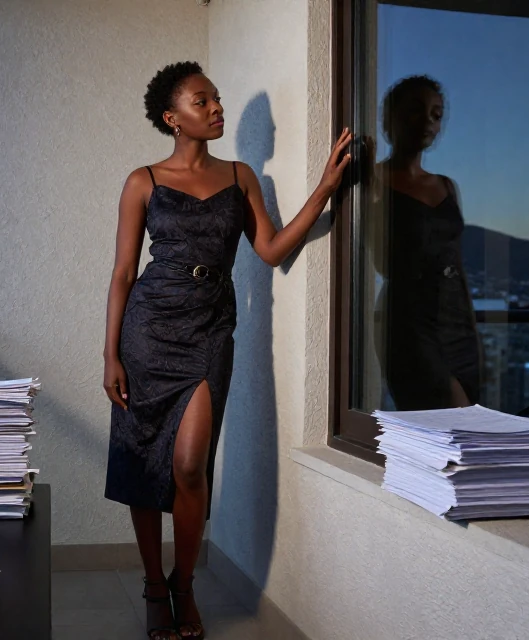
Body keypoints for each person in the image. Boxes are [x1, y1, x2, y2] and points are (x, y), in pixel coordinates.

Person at [102, 61, 352, 640]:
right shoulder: (143, 180)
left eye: (217, 99)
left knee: (190, 464)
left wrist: (325, 188)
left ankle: (183, 582)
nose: (216, 109)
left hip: (210, 331)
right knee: (143, 459)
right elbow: (121, 273)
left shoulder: (241, 177)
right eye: (202, 101)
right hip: (147, 330)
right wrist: (110, 353)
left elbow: (269, 249)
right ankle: (153, 585)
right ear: (172, 117)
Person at [366, 75, 482, 410]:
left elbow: (455, 261)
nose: (429, 121)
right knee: (446, 418)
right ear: (390, 118)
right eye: (416, 111)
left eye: (436, 114)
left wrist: (472, 331)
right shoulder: (373, 180)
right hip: (407, 319)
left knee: (466, 418)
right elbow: (377, 258)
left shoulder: (446, 185)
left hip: (456, 319)